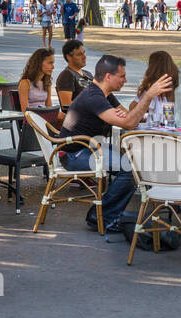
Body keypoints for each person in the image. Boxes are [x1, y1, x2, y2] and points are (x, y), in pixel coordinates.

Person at [61, 54, 173, 234]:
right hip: (74, 154)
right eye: (121, 76)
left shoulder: (105, 95)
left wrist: (135, 114)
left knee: (133, 165)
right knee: (128, 170)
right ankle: (103, 218)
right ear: (108, 77)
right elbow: (129, 122)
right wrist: (149, 95)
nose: (125, 79)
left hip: (90, 148)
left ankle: (107, 215)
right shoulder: (94, 97)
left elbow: (130, 117)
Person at [130, 50, 180, 123]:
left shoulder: (151, 86)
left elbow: (132, 108)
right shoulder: (178, 83)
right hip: (175, 127)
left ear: (152, 68)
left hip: (153, 129)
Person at [54, 39, 92, 107]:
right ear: (69, 57)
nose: (84, 57)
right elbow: (67, 106)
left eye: (84, 53)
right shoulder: (67, 75)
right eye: (79, 54)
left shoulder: (87, 74)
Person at [17, 48, 55, 112]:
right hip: (32, 119)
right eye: (50, 63)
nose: (53, 67)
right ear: (39, 63)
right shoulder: (25, 83)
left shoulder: (46, 83)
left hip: (46, 117)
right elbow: (25, 111)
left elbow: (49, 107)